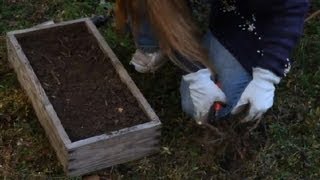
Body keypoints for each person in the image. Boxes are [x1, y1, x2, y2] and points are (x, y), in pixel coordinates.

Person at [115, 0, 309, 124]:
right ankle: (153, 43)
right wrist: (195, 72)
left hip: (251, 13)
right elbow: (165, 9)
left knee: (209, 105)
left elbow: (291, 9)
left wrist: (267, 75)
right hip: (226, 6)